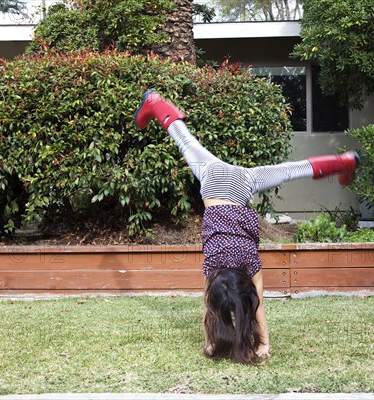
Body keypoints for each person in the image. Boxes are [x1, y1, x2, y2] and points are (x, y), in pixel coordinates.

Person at [134, 90, 359, 364]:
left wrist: (264, 342)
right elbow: (210, 306)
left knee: (289, 170)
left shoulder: (250, 264)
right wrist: (213, 342)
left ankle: (344, 162)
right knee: (187, 142)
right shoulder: (212, 267)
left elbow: (258, 303)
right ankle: (344, 162)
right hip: (215, 179)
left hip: (241, 184)